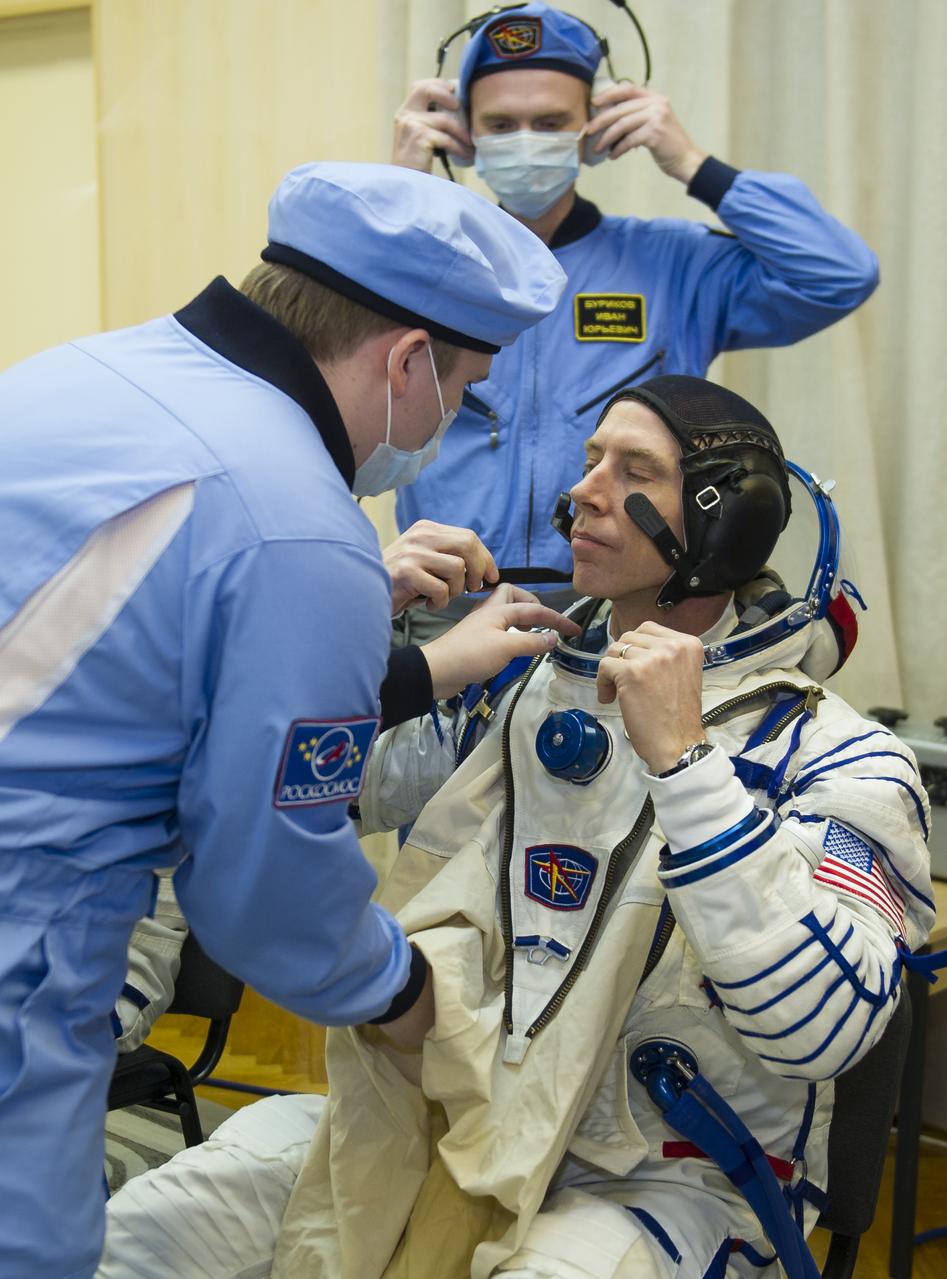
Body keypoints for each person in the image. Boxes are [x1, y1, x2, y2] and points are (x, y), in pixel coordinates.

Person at [97, 377, 933, 1279]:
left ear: (726, 519)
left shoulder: (835, 757)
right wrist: (348, 634)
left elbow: (821, 1030)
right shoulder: (510, 688)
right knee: (141, 1233)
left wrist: (688, 769)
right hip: (451, 1116)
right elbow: (262, 786)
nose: (583, 492)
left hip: (654, 1179)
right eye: (588, 464)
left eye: (633, 470)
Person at [0, 158, 578, 1279]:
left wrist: (359, 621)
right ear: (408, 359)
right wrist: (396, 990)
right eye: (462, 389)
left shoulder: (71, 375)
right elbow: (263, 881)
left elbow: (137, 651)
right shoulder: (297, 527)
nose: (446, 423)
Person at [391, 1, 880, 640]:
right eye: (502, 124)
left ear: (594, 130)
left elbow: (839, 273)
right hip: (448, 607)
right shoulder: (423, 258)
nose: (526, 140)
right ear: (465, 134)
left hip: (626, 611)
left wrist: (691, 164)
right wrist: (401, 195)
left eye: (550, 121)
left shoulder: (673, 263)